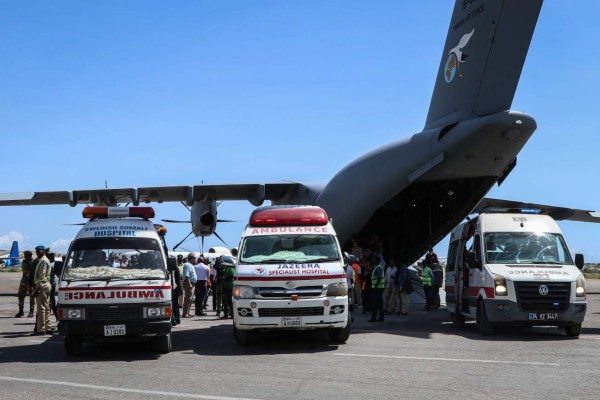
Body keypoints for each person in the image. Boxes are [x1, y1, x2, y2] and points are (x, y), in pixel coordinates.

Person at [32, 245, 52, 335]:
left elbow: (42, 276)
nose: (37, 253)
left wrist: (37, 288)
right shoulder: (44, 260)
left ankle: (41, 329)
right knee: (46, 307)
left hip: (42, 284)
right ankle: (48, 328)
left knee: (41, 309)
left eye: (39, 251)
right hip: (46, 284)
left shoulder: (43, 261)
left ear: (43, 251)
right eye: (36, 251)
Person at [15, 250, 35, 318]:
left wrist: (32, 283)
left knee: (32, 297)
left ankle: (31, 312)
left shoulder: (33, 262)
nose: (25, 257)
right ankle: (21, 311)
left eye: (26, 255)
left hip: (31, 282)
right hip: (24, 281)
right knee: (20, 295)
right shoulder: (24, 262)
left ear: (29, 256)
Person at [368, 255, 385, 322]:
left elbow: (379, 277)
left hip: (378, 288)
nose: (373, 260)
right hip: (378, 288)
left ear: (377, 261)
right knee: (378, 303)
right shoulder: (377, 267)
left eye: (374, 259)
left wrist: (375, 286)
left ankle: (375, 318)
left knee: (377, 304)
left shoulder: (378, 268)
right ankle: (379, 318)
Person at [182, 253, 197, 318]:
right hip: (189, 283)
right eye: (194, 258)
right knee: (188, 298)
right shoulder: (187, 265)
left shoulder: (190, 265)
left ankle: (187, 312)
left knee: (190, 299)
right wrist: (189, 284)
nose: (195, 259)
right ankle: (185, 313)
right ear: (192, 258)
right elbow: (186, 275)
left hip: (192, 283)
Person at [168, 258, 182, 326]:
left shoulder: (175, 269)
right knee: (172, 304)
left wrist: (179, 290)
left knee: (175, 304)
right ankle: (174, 319)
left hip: (174, 288)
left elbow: (178, 280)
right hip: (170, 288)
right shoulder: (168, 269)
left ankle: (176, 319)